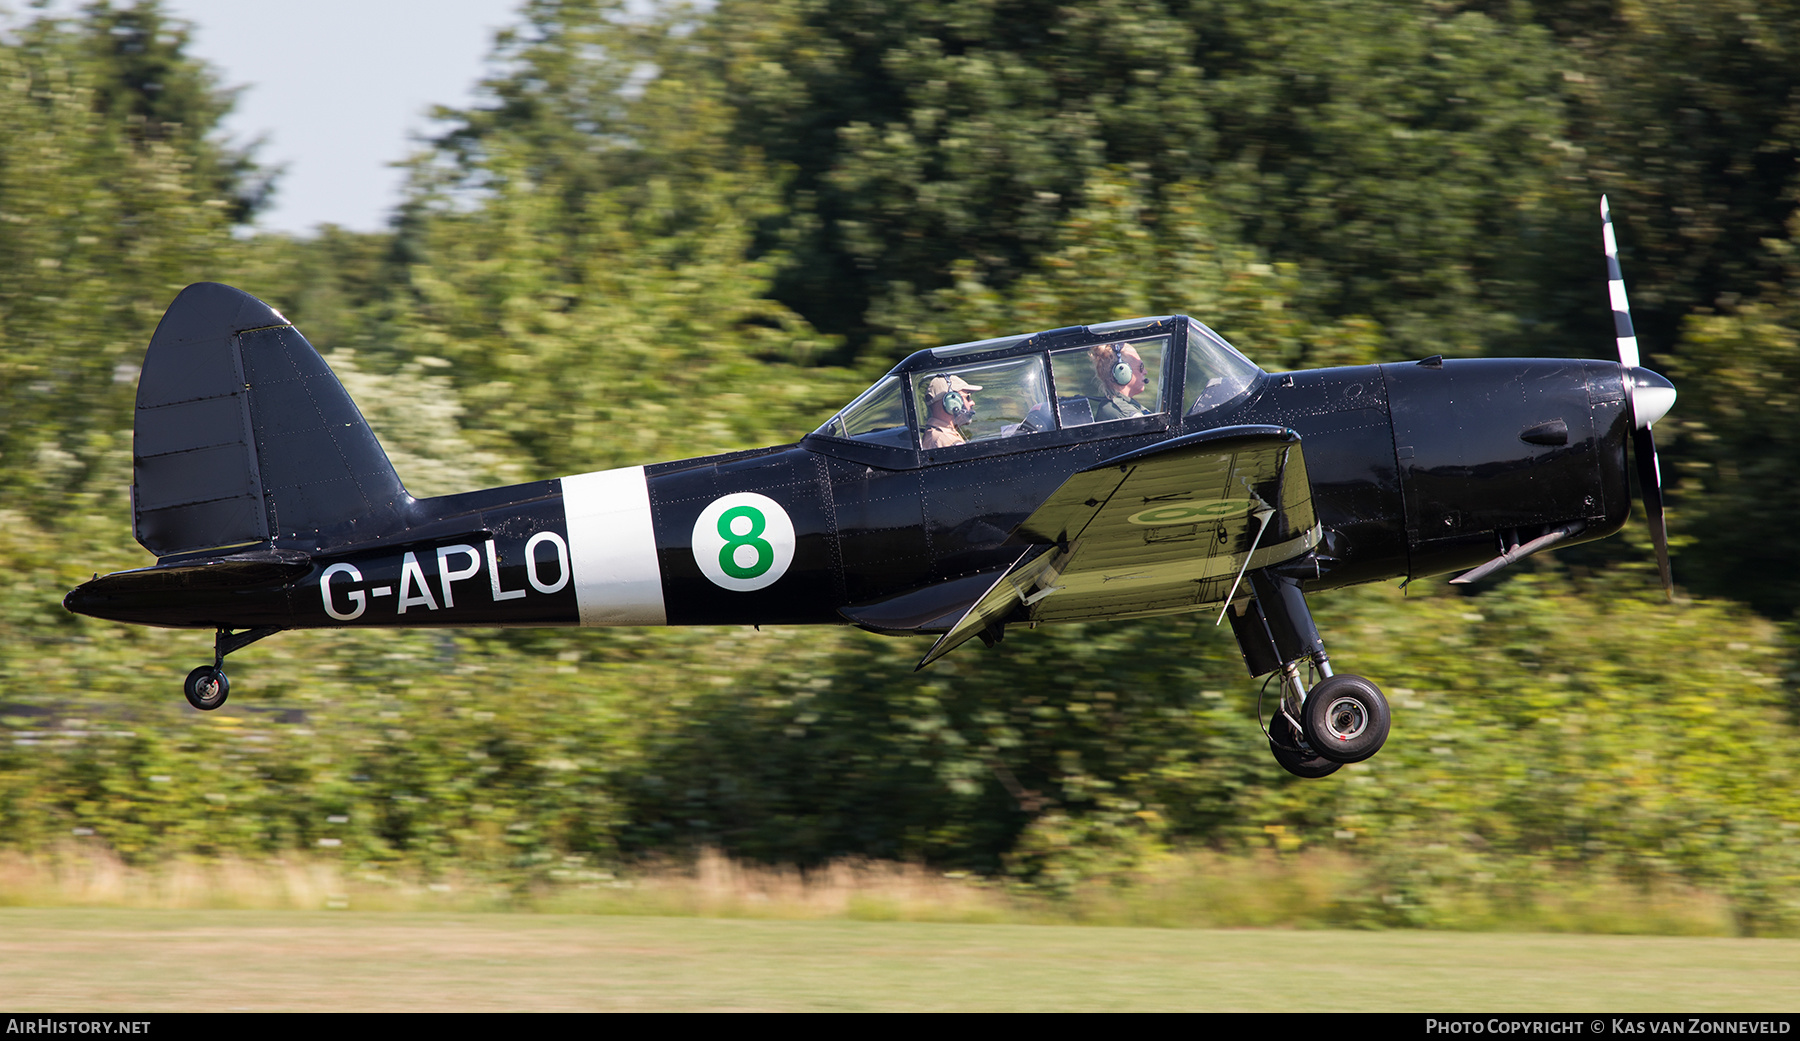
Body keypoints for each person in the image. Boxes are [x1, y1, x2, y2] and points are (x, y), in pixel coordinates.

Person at [1090, 342, 1151, 421]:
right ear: (1123, 371)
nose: (1145, 372)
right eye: (1141, 367)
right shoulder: (1121, 412)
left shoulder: (1128, 405)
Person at [920, 373, 981, 448]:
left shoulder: (944, 434)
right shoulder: (944, 440)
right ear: (952, 402)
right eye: (967, 397)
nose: (972, 403)